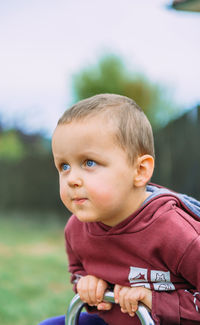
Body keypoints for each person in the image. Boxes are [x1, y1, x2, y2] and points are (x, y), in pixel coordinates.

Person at [39, 94, 200, 325]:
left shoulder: (176, 231)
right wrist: (87, 283)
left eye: (89, 163)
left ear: (140, 170)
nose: (71, 178)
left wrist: (155, 300)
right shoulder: (77, 228)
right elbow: (78, 270)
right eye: (64, 166)